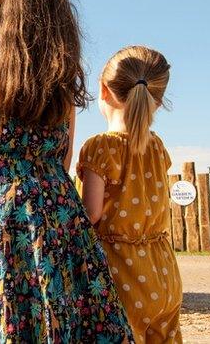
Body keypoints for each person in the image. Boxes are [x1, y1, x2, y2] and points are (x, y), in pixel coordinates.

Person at [0, 0, 132, 343]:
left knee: (7, 304)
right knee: (67, 304)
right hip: (59, 204)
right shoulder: (62, 76)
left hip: (2, 206)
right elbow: (65, 152)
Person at [78, 46, 183, 343]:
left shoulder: (100, 147)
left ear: (103, 89)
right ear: (158, 101)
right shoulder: (157, 147)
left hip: (121, 274)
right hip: (163, 272)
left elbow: (92, 214)